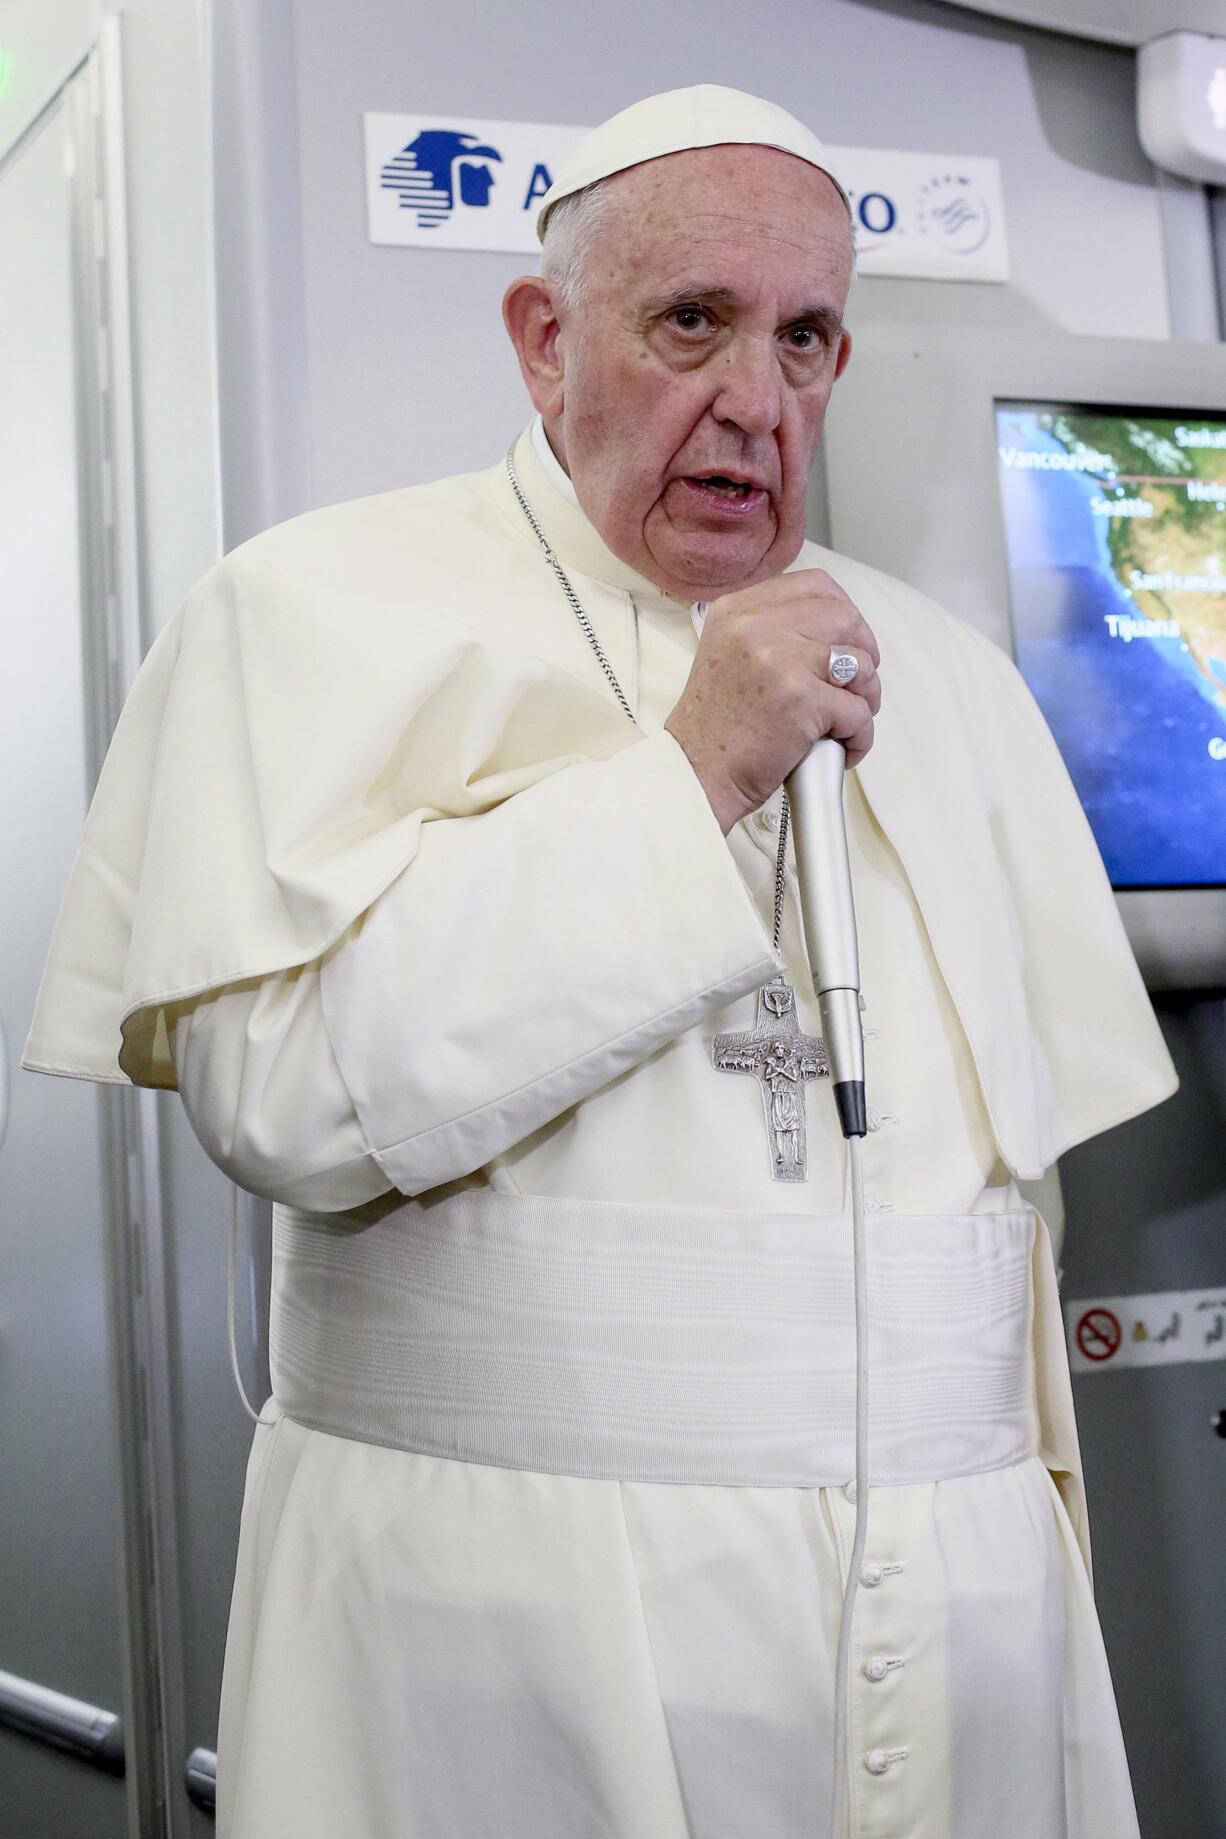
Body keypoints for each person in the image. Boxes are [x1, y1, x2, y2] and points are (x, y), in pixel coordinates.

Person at [25, 85, 1177, 1839]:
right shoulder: (310, 608)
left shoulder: (943, 670)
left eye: (803, 339)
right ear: (543, 339)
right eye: (690, 322)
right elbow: (284, 1109)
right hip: (503, 1639)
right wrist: (692, 770)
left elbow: (1007, 1234)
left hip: (955, 1632)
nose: (752, 398)